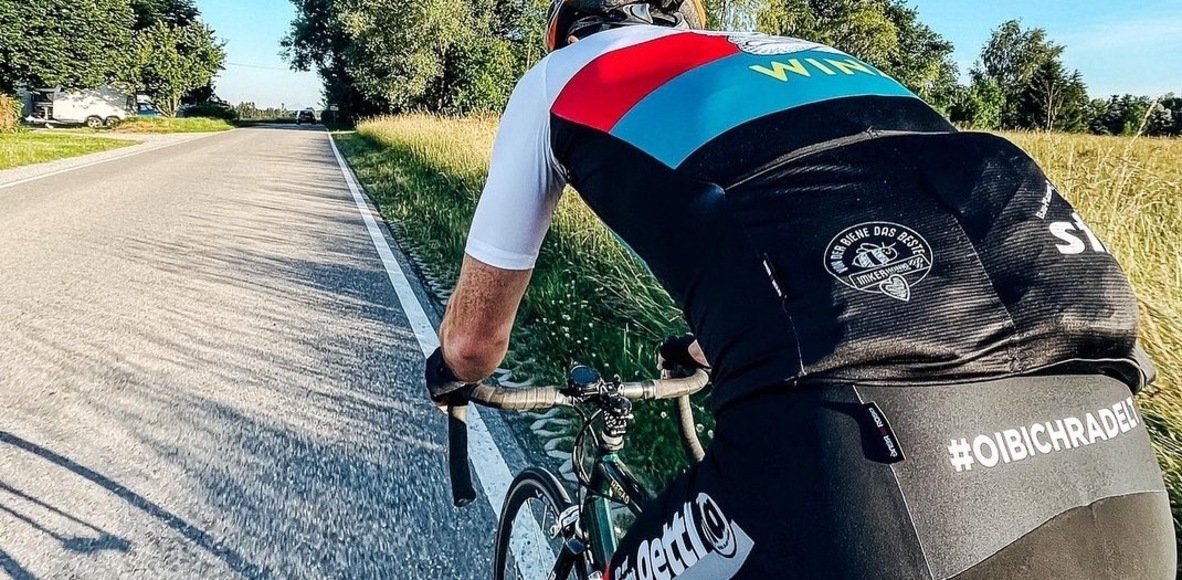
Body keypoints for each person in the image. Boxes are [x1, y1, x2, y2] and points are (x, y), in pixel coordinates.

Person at [424, 0, 1177, 577]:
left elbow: (474, 343)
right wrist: (713, 345)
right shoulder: (837, 63)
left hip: (881, 487)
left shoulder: (559, 78)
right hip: (1115, 463)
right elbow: (905, 256)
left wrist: (451, 375)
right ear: (692, 18)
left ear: (563, 31)